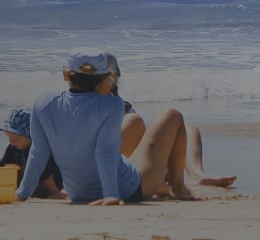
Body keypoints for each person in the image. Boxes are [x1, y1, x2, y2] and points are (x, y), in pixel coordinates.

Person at [16, 49, 196, 205]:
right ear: (104, 78)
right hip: (129, 189)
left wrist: (22, 193)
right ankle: (178, 187)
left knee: (130, 133)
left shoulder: (43, 103)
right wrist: (112, 195)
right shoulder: (112, 105)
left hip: (77, 193)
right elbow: (105, 152)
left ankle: (161, 185)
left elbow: (38, 152)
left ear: (65, 75)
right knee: (172, 115)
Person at [106, 53, 237, 188]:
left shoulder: (121, 105)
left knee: (187, 129)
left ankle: (196, 174)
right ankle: (169, 178)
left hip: (133, 158)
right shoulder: (103, 106)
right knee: (134, 123)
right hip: (117, 164)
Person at [0, 108, 65, 199]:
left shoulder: (40, 150)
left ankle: (56, 192)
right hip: (27, 183)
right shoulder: (12, 148)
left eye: (17, 138)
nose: (11, 141)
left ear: (33, 137)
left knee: (38, 168)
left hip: (49, 181)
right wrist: (6, 168)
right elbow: (0, 167)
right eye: (9, 137)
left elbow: (47, 174)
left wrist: (56, 191)